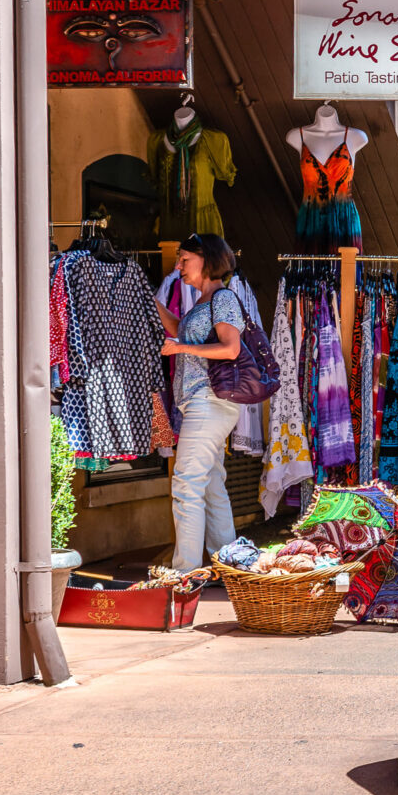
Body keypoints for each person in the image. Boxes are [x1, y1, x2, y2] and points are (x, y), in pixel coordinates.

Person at [160, 233, 246, 573]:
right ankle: (229, 566)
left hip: (208, 402)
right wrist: (154, 306)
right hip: (204, 403)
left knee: (186, 484)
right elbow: (182, 330)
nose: (179, 265)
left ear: (206, 259)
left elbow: (231, 349)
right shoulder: (203, 301)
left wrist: (181, 349)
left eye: (185, 259)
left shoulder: (222, 298)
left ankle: (185, 573)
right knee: (210, 485)